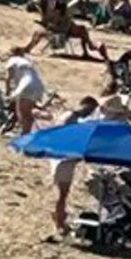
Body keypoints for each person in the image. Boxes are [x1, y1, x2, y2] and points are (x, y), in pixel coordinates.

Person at [50, 96, 100, 238]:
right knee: (62, 194)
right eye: (89, 109)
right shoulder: (71, 117)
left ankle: (60, 221)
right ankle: (59, 223)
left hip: (64, 159)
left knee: (61, 194)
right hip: (63, 160)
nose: (89, 112)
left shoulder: (72, 117)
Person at [3, 48, 48, 134]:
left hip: (26, 84)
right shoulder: (26, 62)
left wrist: (8, 92)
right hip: (38, 85)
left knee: (22, 113)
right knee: (27, 112)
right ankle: (27, 133)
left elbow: (9, 78)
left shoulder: (12, 60)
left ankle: (24, 134)